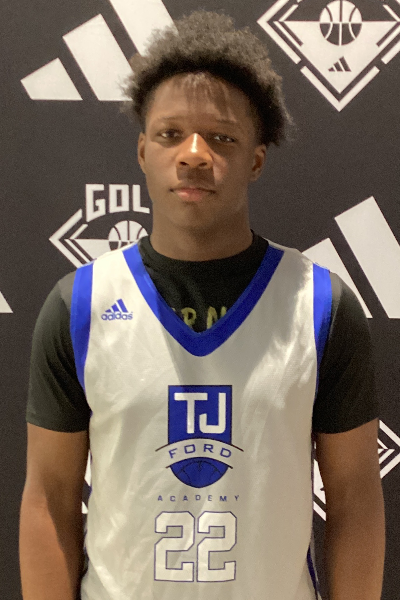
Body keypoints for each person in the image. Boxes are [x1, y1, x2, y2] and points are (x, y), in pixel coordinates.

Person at [19, 10, 385, 600]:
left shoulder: (320, 306)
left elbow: (356, 500)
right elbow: (48, 498)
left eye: (222, 137)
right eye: (170, 134)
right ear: (143, 151)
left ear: (256, 159)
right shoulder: (80, 305)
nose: (193, 154)